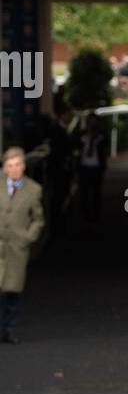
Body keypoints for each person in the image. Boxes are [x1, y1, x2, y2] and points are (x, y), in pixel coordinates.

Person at [0, 145, 45, 344]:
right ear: (4, 167)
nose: (14, 169)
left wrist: (28, 237)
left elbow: (38, 218)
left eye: (18, 164)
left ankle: (9, 329)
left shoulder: (33, 189)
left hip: (17, 247)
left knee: (12, 291)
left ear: (24, 166)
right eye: (10, 165)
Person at [76, 112, 108, 222]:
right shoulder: (82, 135)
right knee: (84, 193)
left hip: (96, 167)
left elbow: (104, 149)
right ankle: (84, 215)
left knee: (96, 192)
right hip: (84, 167)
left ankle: (96, 215)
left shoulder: (101, 136)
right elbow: (76, 147)